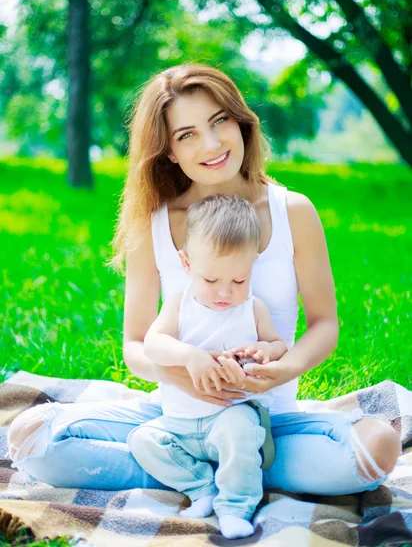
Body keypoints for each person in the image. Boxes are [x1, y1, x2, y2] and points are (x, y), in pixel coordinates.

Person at [8, 63, 401, 496]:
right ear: (169, 151)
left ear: (241, 123)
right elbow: (135, 345)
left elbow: (324, 323)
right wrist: (182, 375)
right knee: (32, 438)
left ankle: (214, 467)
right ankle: (210, 469)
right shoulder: (154, 223)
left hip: (271, 421)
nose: (211, 144)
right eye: (186, 134)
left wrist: (281, 370)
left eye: (219, 122)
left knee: (378, 446)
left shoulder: (293, 212)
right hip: (175, 418)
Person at [128, 194, 288, 539]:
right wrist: (188, 355)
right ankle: (202, 488)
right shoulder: (178, 304)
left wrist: (264, 350)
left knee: (240, 434)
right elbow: (153, 344)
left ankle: (235, 507)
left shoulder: (252, 308)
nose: (225, 293)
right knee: (143, 440)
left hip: (232, 414)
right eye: (211, 280)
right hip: (179, 422)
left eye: (239, 280)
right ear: (186, 263)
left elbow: (279, 346)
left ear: (253, 265)